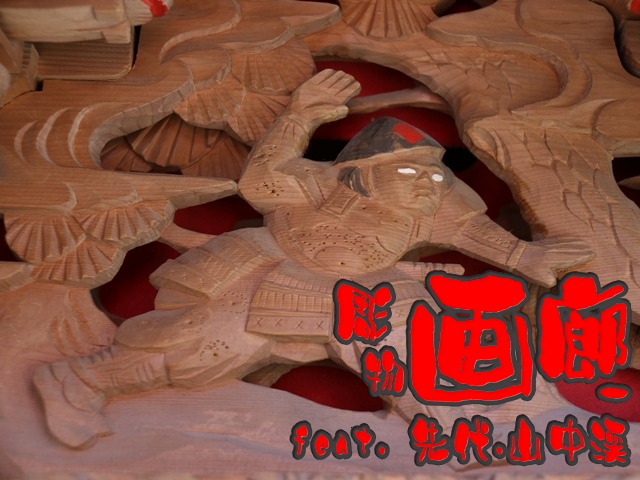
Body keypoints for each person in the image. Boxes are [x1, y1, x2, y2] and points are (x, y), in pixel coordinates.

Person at [33, 70, 592, 449]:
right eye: (407, 170)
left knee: (420, 340)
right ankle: (78, 381)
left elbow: (473, 231)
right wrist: (299, 116)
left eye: (432, 172)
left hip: (368, 289)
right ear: (360, 174)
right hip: (263, 276)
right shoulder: (313, 185)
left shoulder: (433, 206)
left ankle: (469, 427)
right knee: (200, 348)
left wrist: (525, 256)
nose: (425, 182)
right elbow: (260, 181)